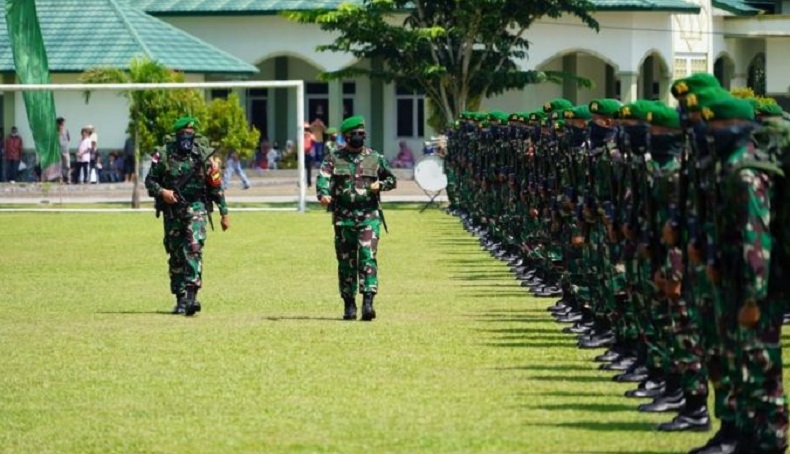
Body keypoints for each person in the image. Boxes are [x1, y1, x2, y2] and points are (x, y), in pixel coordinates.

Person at [145, 116, 230, 316]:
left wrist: (224, 213)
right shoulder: (163, 154)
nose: (187, 137)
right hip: (173, 211)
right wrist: (162, 193)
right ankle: (180, 298)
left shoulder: (203, 155)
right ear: (177, 134)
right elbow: (150, 181)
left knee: (194, 248)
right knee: (176, 255)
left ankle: (192, 297)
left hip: (196, 207)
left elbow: (216, 187)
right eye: (184, 133)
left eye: (191, 134)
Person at [316, 115, 397, 321]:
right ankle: (349, 304)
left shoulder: (374, 157)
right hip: (343, 219)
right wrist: (323, 194)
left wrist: (382, 185)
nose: (359, 137)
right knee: (346, 263)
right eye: (355, 134)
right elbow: (323, 178)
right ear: (346, 137)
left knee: (367, 257)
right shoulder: (334, 158)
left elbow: (391, 178)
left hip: (368, 217)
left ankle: (368, 303)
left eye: (362, 134)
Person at [57, 118, 70, 183]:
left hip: (65, 150)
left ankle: (67, 178)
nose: (63, 124)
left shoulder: (66, 130)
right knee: (59, 165)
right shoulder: (55, 131)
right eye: (62, 123)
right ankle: (60, 178)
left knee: (67, 165)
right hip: (58, 150)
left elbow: (69, 138)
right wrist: (59, 132)